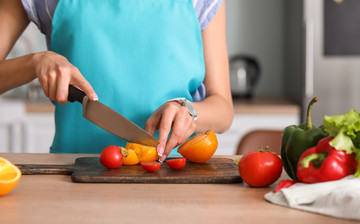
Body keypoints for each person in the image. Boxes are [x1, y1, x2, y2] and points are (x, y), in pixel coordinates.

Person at [0, 0, 234, 162]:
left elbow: (223, 109)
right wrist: (36, 62)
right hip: (73, 175)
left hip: (174, 176)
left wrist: (189, 111)